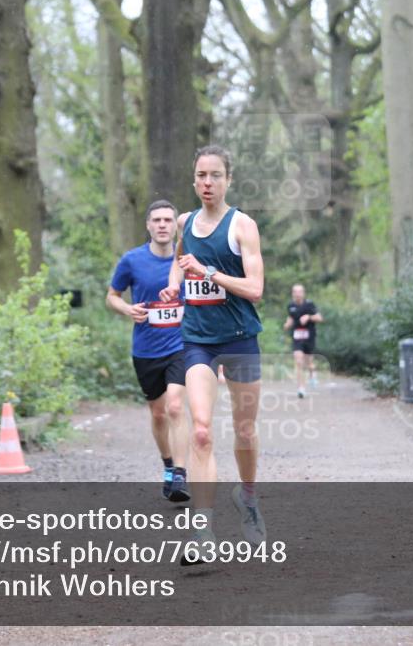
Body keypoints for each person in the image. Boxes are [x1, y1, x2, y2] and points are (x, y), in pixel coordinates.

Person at [159, 145, 266, 564]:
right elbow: (179, 264)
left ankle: (250, 498)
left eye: (215, 175)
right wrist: (174, 284)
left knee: (244, 431)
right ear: (193, 180)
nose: (207, 183)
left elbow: (255, 289)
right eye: (201, 175)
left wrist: (209, 273)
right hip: (197, 339)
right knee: (201, 430)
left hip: (239, 337)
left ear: (228, 180)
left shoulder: (243, 226)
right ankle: (202, 532)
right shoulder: (185, 222)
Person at [107, 200, 190, 502]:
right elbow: (112, 296)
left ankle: (180, 475)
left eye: (168, 219)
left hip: (181, 345)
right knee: (158, 415)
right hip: (146, 349)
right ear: (148, 225)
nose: (163, 225)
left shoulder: (186, 260)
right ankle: (168, 465)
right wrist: (128, 309)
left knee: (176, 407)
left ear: (175, 225)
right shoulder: (132, 260)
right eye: (157, 220)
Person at [283, 283, 323, 398]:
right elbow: (290, 317)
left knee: (309, 363)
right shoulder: (290, 306)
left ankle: (312, 374)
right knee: (299, 361)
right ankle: (301, 388)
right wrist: (287, 324)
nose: (297, 294)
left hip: (309, 337)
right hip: (297, 338)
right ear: (292, 294)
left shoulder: (309, 304)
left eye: (300, 292)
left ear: (303, 293)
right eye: (295, 292)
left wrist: (309, 317)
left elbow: (319, 318)